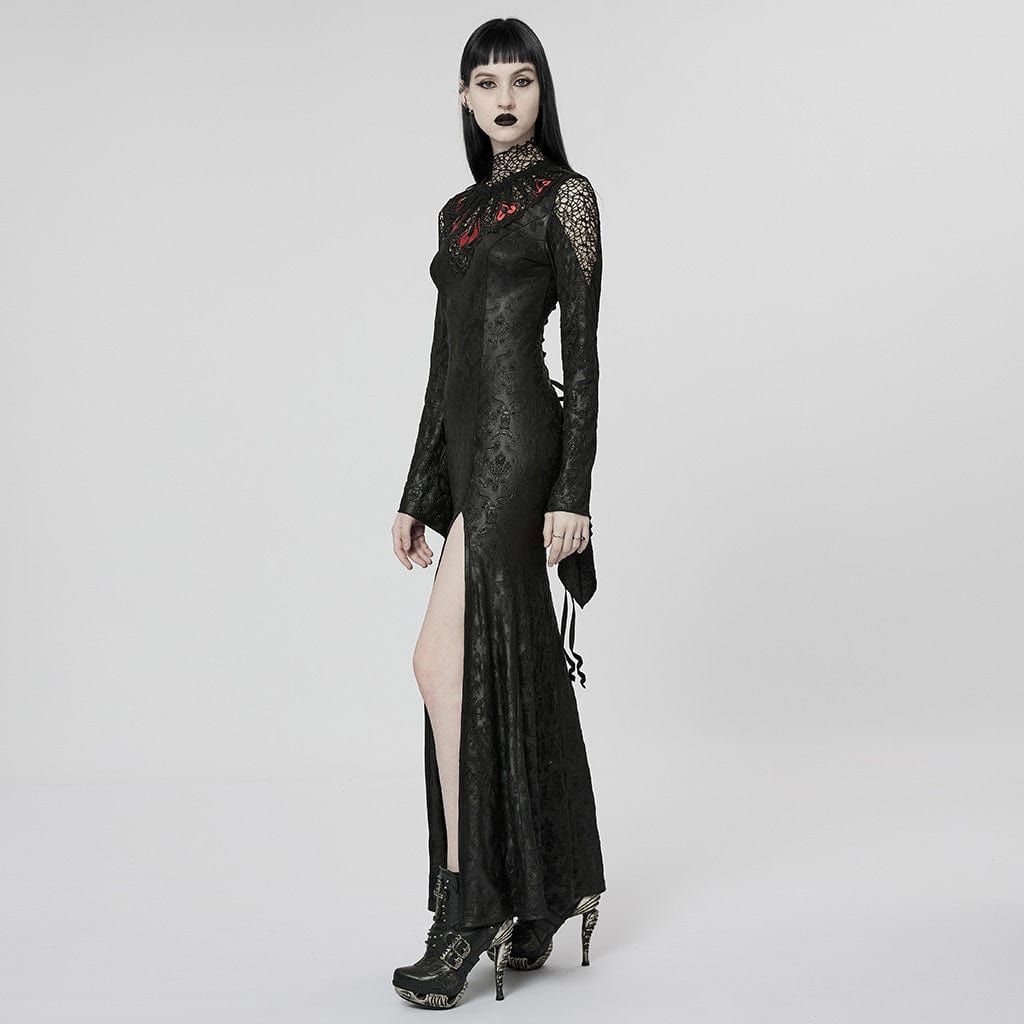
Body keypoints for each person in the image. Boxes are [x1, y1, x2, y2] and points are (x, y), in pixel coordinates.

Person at [390, 17, 606, 1010]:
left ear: (540, 92)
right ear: (465, 99)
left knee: (440, 663)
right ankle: (545, 887)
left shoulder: (568, 197)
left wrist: (573, 492)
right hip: (467, 450)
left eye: (521, 80)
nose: (505, 96)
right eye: (487, 82)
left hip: (524, 451)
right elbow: (445, 366)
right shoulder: (457, 215)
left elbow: (584, 357)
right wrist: (417, 493)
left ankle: (467, 904)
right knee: (499, 663)